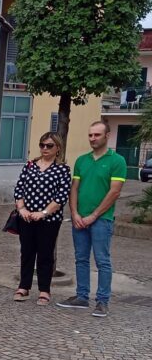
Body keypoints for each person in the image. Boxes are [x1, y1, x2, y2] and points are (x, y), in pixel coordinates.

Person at [57, 121, 127, 318]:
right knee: (81, 259)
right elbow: (74, 188)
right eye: (90, 135)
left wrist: (93, 216)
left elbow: (114, 192)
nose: (92, 139)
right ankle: (81, 297)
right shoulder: (82, 160)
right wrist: (75, 213)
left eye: (97, 135)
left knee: (102, 261)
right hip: (80, 219)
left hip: (101, 219)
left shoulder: (117, 161)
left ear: (107, 136)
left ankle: (102, 301)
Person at [11, 132, 71, 306]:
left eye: (49, 145)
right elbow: (19, 188)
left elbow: (61, 197)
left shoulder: (62, 170)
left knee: (45, 254)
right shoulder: (30, 165)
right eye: (42, 145)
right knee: (27, 252)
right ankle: (24, 286)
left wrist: (43, 212)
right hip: (27, 218)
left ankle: (44, 290)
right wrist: (21, 208)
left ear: (58, 148)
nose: (45, 148)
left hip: (49, 220)